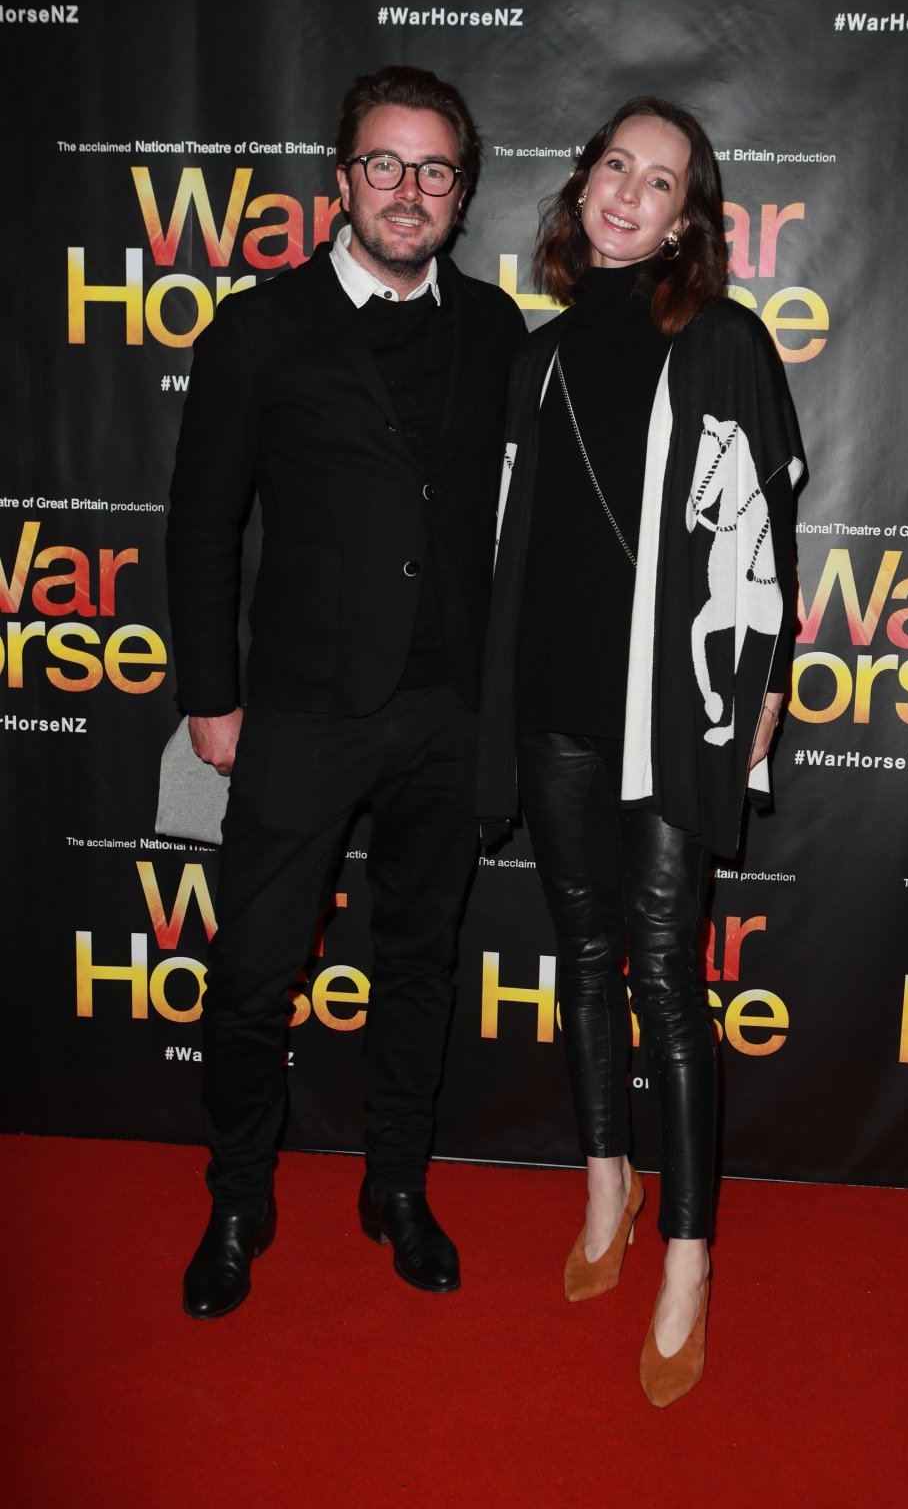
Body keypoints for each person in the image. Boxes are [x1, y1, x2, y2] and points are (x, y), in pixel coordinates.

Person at [166, 64, 526, 1319]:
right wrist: (211, 696)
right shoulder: (258, 327)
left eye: (434, 169)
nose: (407, 190)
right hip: (304, 710)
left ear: (460, 193)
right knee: (254, 971)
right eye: (385, 163)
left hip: (452, 709)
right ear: (341, 179)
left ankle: (396, 1185)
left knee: (420, 960)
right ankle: (237, 1198)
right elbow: (202, 523)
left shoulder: (495, 329)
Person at [477, 97, 803, 1406]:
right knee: (583, 952)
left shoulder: (719, 340)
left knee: (666, 979)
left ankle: (686, 1259)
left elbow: (761, 535)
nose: (627, 192)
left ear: (684, 221)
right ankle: (604, 1184)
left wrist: (758, 693)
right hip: (554, 699)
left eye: (658, 181)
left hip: (667, 711)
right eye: (614, 166)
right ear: (582, 187)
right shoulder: (540, 354)